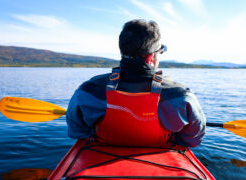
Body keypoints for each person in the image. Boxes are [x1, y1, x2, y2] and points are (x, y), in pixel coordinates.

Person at [66, 19, 206, 147]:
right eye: (160, 52)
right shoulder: (181, 95)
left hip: (102, 151)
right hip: (158, 155)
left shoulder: (89, 89)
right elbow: (193, 138)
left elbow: (76, 131)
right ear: (151, 57)